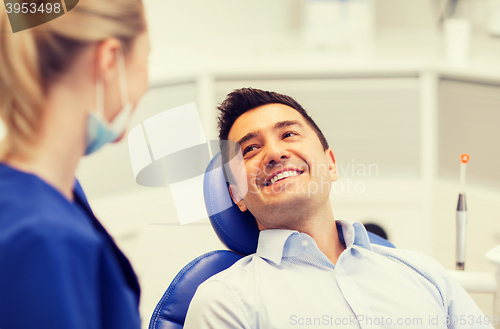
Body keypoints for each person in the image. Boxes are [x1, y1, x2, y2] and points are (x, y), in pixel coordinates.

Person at [184, 88, 493, 329]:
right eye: (251, 149)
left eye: (288, 134)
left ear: (330, 163)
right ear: (236, 194)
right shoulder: (223, 302)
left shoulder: (422, 273)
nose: (275, 153)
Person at [0, 1, 149, 328]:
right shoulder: (42, 237)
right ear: (110, 60)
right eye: (145, 58)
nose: (146, 84)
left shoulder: (49, 198)